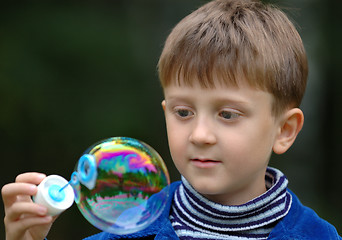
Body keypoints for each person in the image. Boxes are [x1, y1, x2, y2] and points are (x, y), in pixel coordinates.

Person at [2, 0, 341, 239]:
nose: (200, 134)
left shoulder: (320, 237)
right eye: (183, 113)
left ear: (284, 130)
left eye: (227, 114)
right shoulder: (129, 233)